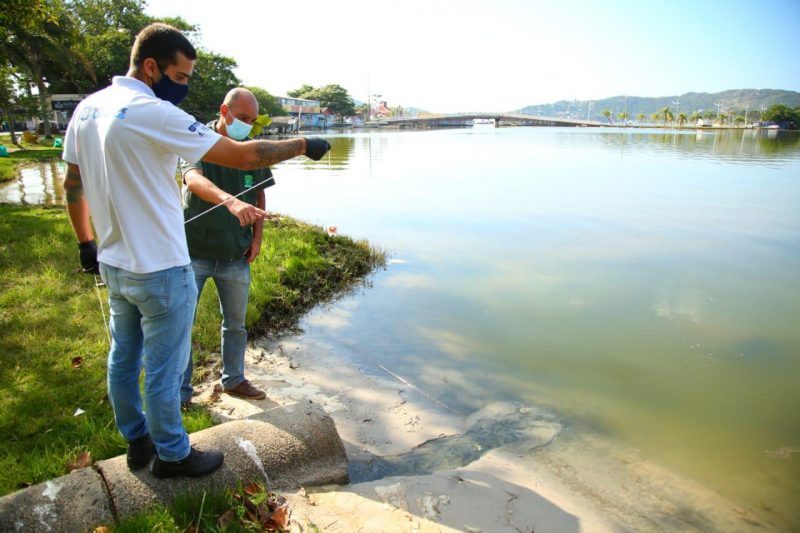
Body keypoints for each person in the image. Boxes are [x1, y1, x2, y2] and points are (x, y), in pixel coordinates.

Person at [61, 22, 330, 479]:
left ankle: (137, 441)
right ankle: (173, 454)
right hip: (161, 266)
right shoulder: (153, 110)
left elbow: (72, 185)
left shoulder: (87, 109)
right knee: (165, 369)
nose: (183, 87)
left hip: (114, 263)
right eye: (181, 77)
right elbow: (245, 156)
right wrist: (304, 144)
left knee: (123, 358)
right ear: (152, 67)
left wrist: (86, 243)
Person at [179, 87, 272, 404]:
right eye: (242, 118)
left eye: (252, 120)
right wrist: (230, 201)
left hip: (236, 253)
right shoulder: (196, 139)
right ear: (224, 111)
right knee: (181, 325)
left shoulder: (252, 150)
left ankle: (234, 379)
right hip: (193, 253)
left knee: (235, 324)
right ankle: (181, 392)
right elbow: (193, 179)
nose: (247, 125)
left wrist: (257, 239)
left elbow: (259, 194)